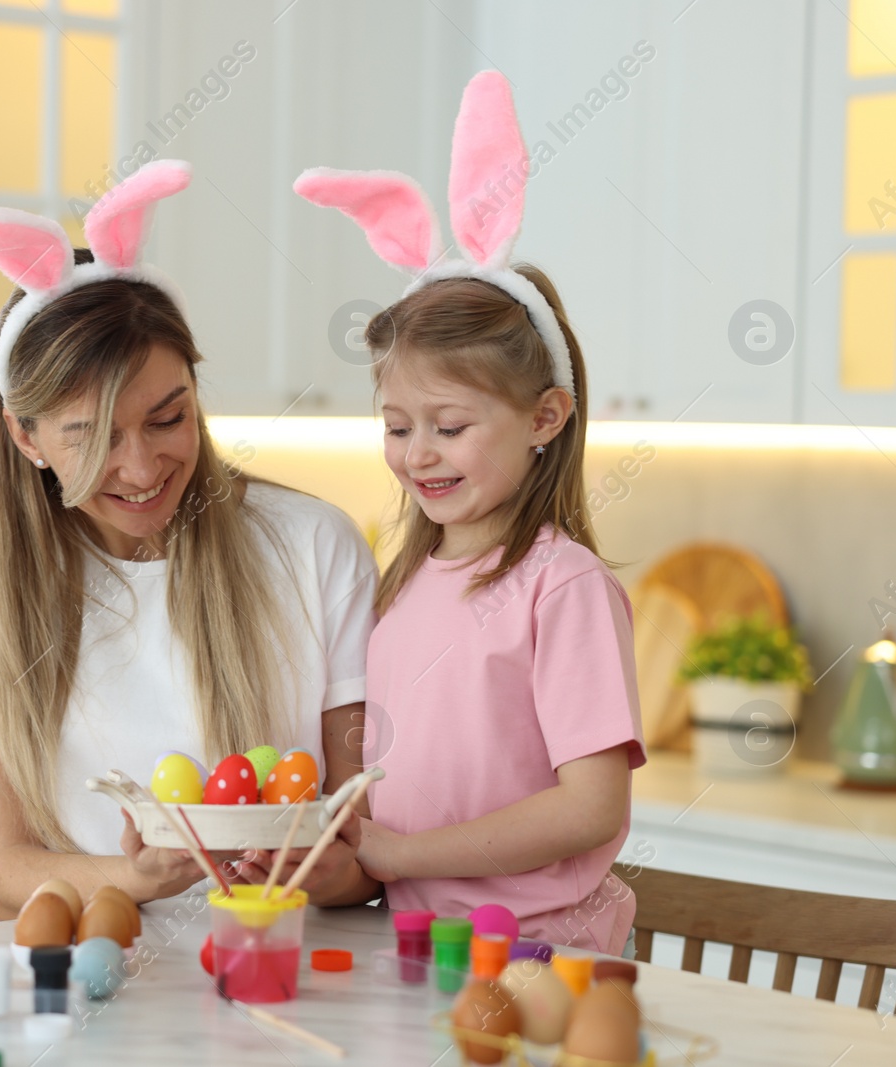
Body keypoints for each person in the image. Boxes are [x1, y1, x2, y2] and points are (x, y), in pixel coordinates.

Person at [0, 160, 379, 918]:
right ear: (24, 436)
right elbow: (1, 868)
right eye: (94, 437)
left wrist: (335, 869)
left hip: (281, 963)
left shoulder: (316, 546)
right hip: (95, 976)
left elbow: (368, 845)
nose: (140, 468)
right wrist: (140, 878)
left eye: (168, 418)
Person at [295, 72, 645, 952]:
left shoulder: (562, 587)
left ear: (544, 417)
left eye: (449, 427)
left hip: (539, 953)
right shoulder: (406, 577)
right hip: (417, 947)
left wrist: (401, 850)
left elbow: (592, 804)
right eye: (397, 425)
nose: (417, 453)